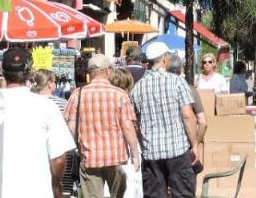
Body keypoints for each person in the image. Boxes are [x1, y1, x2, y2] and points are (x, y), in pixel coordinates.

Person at [0, 47, 76, 198]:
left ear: (2, 71)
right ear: (30, 73)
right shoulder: (47, 106)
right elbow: (59, 158)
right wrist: (56, 185)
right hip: (36, 190)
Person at [65, 53, 140, 198]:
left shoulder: (77, 95)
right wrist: (135, 155)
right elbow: (128, 127)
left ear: (90, 73)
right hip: (117, 158)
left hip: (89, 158)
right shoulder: (120, 94)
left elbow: (71, 128)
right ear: (107, 71)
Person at [133, 41, 201, 198]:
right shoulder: (177, 81)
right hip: (177, 149)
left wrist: (143, 144)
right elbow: (187, 115)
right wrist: (194, 144)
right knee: (183, 194)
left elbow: (135, 121)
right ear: (164, 59)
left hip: (151, 153)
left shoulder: (138, 87)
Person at [167, 51, 208, 172]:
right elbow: (203, 122)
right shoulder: (190, 89)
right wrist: (195, 144)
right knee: (185, 188)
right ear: (181, 69)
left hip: (161, 148)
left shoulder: (157, 88)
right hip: (184, 147)